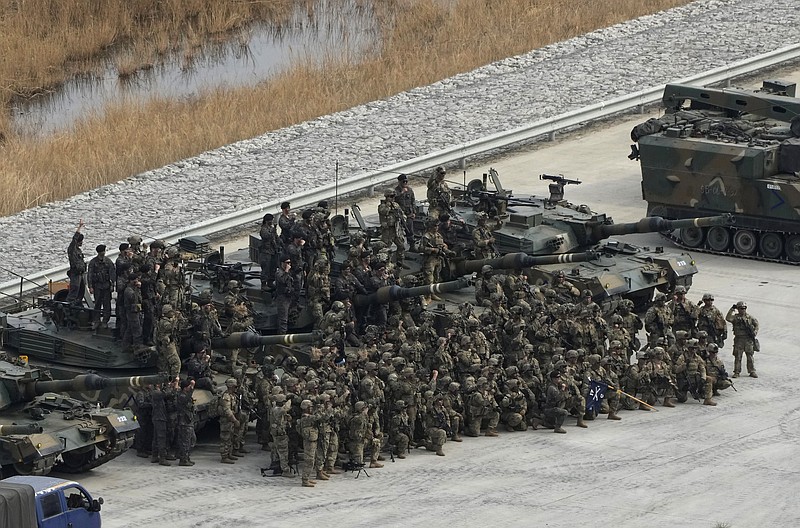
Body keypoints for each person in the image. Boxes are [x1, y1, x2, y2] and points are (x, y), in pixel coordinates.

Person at [726, 301, 759, 378]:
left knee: (750, 356)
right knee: (738, 356)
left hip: (748, 339)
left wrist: (755, 332)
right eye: (741, 308)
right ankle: (737, 372)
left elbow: (756, 324)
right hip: (739, 339)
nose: (742, 310)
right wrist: (732, 309)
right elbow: (728, 318)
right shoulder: (735, 317)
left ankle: (752, 371)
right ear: (738, 309)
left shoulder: (750, 318)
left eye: (744, 308)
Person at [87, 244, 116, 330]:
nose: (103, 253)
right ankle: (96, 320)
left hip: (106, 285)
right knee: (97, 303)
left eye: (103, 251)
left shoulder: (108, 262)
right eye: (101, 252)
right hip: (97, 286)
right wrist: (90, 286)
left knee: (107, 304)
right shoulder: (93, 262)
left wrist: (112, 285)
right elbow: (90, 275)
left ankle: (105, 321)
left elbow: (112, 274)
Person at [377, 190, 408, 267]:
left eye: (393, 196)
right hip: (388, 231)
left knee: (401, 246)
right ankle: (386, 264)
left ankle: (400, 262)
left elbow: (402, 214)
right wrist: (388, 206)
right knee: (386, 248)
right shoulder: (382, 206)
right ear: (386, 197)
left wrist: (402, 218)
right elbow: (383, 212)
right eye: (390, 196)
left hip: (396, 229)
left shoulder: (396, 205)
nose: (392, 198)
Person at [298, 399, 319, 487]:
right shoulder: (306, 418)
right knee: (309, 460)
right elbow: (319, 417)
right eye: (310, 407)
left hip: (312, 440)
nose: (311, 409)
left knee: (311, 459)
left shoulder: (308, 416)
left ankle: (307, 478)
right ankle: (305, 480)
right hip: (309, 442)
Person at [219, 378, 241, 464]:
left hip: (230, 420)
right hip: (226, 421)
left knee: (230, 438)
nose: (236, 388)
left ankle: (229, 453)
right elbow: (227, 410)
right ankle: (224, 456)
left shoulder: (232, 395)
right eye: (235, 387)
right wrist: (235, 420)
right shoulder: (226, 396)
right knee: (225, 438)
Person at [175, 379, 197, 466]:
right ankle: (183, 459)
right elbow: (186, 399)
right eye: (188, 387)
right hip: (184, 422)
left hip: (188, 421)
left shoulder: (185, 395)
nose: (190, 388)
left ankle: (186, 457)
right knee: (185, 441)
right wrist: (192, 388)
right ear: (185, 388)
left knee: (191, 440)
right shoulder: (181, 396)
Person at [66, 219, 87, 305]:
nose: (81, 243)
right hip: (75, 274)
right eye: (80, 241)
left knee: (81, 291)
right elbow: (74, 239)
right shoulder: (72, 249)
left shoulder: (78, 250)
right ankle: (69, 305)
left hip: (80, 274)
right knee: (74, 290)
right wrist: (80, 227)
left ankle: (77, 304)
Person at [259, 213, 281, 291]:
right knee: (266, 268)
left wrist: (279, 243)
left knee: (273, 267)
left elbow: (275, 237)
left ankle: (270, 282)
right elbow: (267, 236)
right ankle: (264, 284)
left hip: (273, 251)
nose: (271, 222)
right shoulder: (263, 229)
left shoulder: (271, 228)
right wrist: (273, 230)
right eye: (270, 220)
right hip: (266, 252)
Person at [274, 256, 296, 334]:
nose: (288, 265)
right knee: (283, 319)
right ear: (282, 263)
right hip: (282, 298)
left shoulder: (287, 272)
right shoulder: (279, 272)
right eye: (287, 263)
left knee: (287, 317)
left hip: (288, 296)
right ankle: (282, 337)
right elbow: (282, 280)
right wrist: (286, 271)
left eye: (289, 263)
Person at [395, 174, 416, 251]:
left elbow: (413, 202)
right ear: (399, 182)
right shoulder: (396, 191)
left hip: (409, 214)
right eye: (403, 181)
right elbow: (393, 201)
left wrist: (414, 212)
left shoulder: (410, 190)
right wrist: (401, 193)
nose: (405, 183)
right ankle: (401, 247)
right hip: (400, 215)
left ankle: (412, 245)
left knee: (410, 229)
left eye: (406, 181)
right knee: (399, 231)